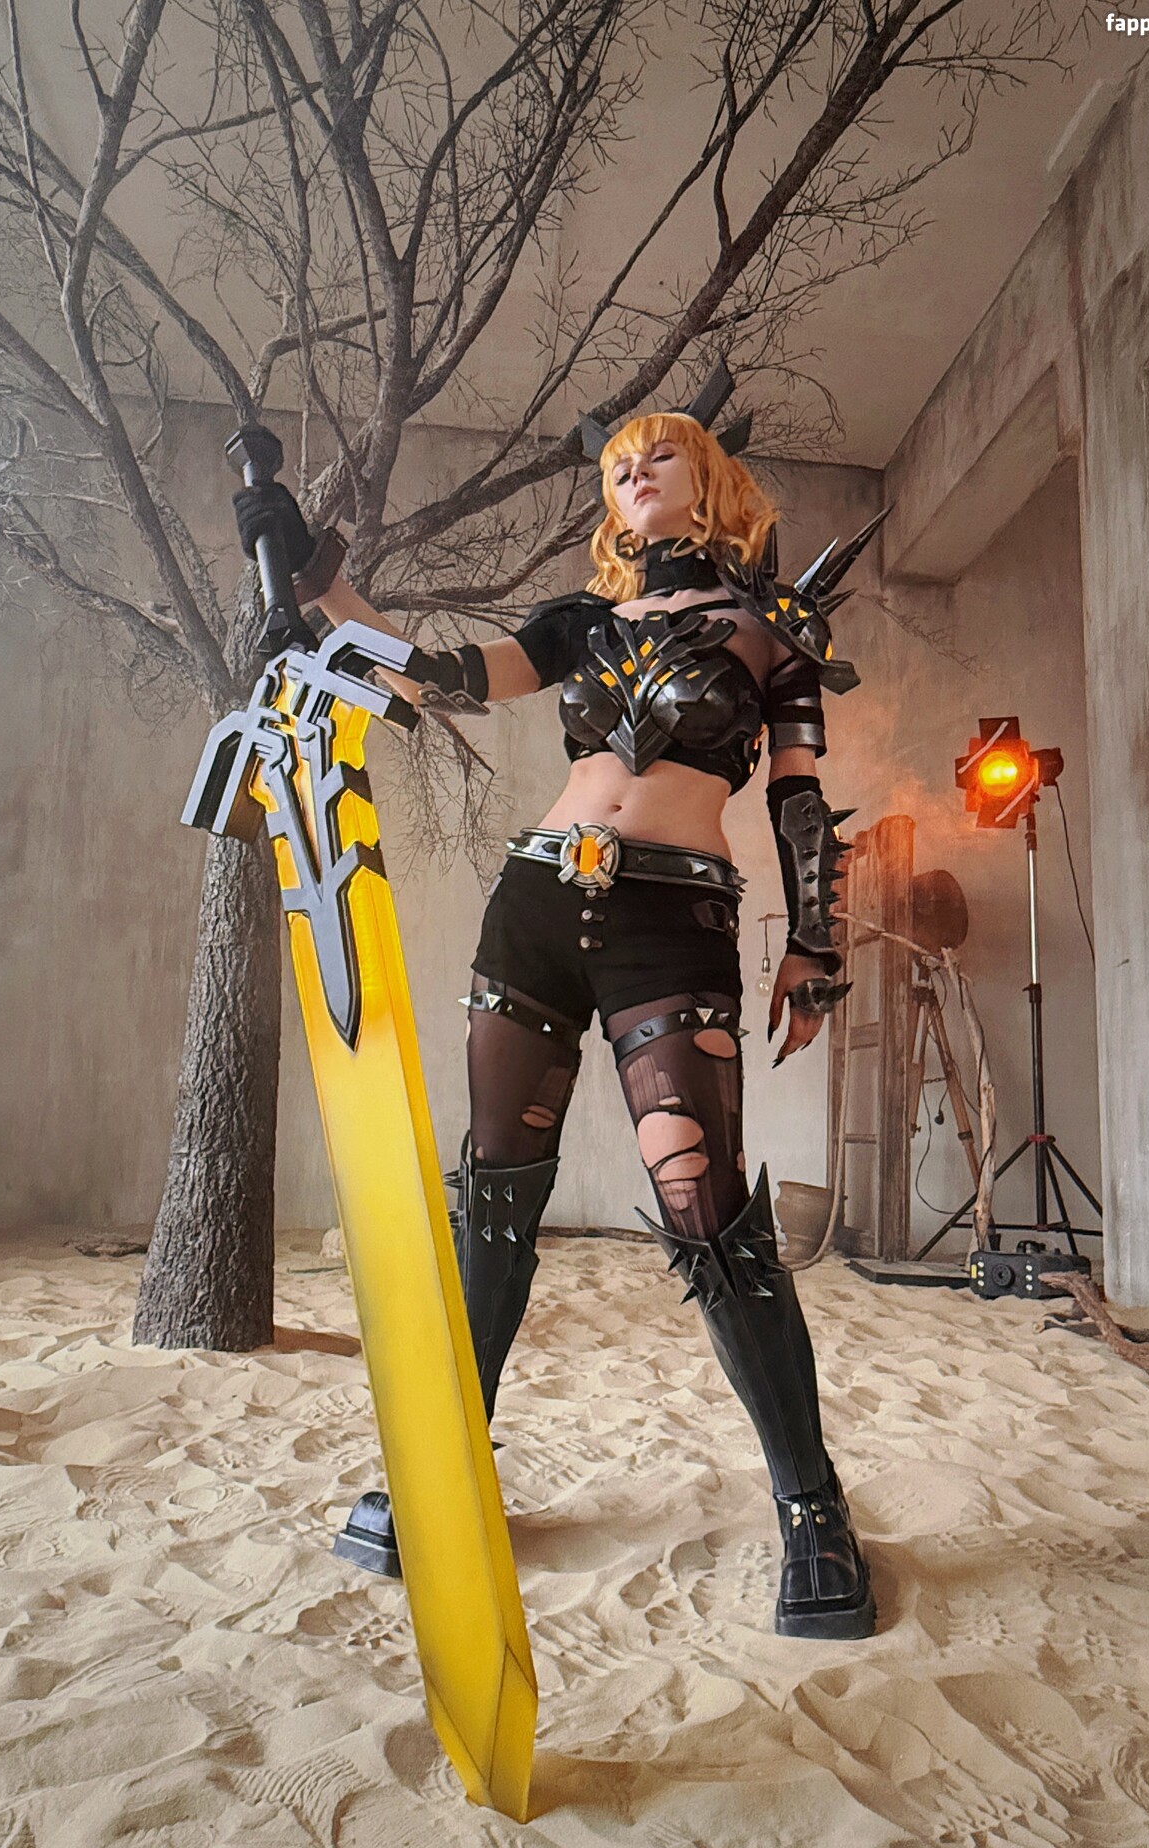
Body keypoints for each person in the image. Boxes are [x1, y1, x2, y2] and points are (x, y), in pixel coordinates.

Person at [233, 385, 883, 1638]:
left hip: (671, 918)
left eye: (662, 454)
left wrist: (814, 941)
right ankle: (441, 1468)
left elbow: (798, 796)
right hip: (534, 903)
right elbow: (438, 677)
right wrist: (320, 581)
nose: (636, 469)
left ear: (710, 481)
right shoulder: (577, 622)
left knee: (706, 1209)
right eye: (621, 461)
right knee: (494, 1192)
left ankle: (811, 1508)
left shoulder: (769, 628)